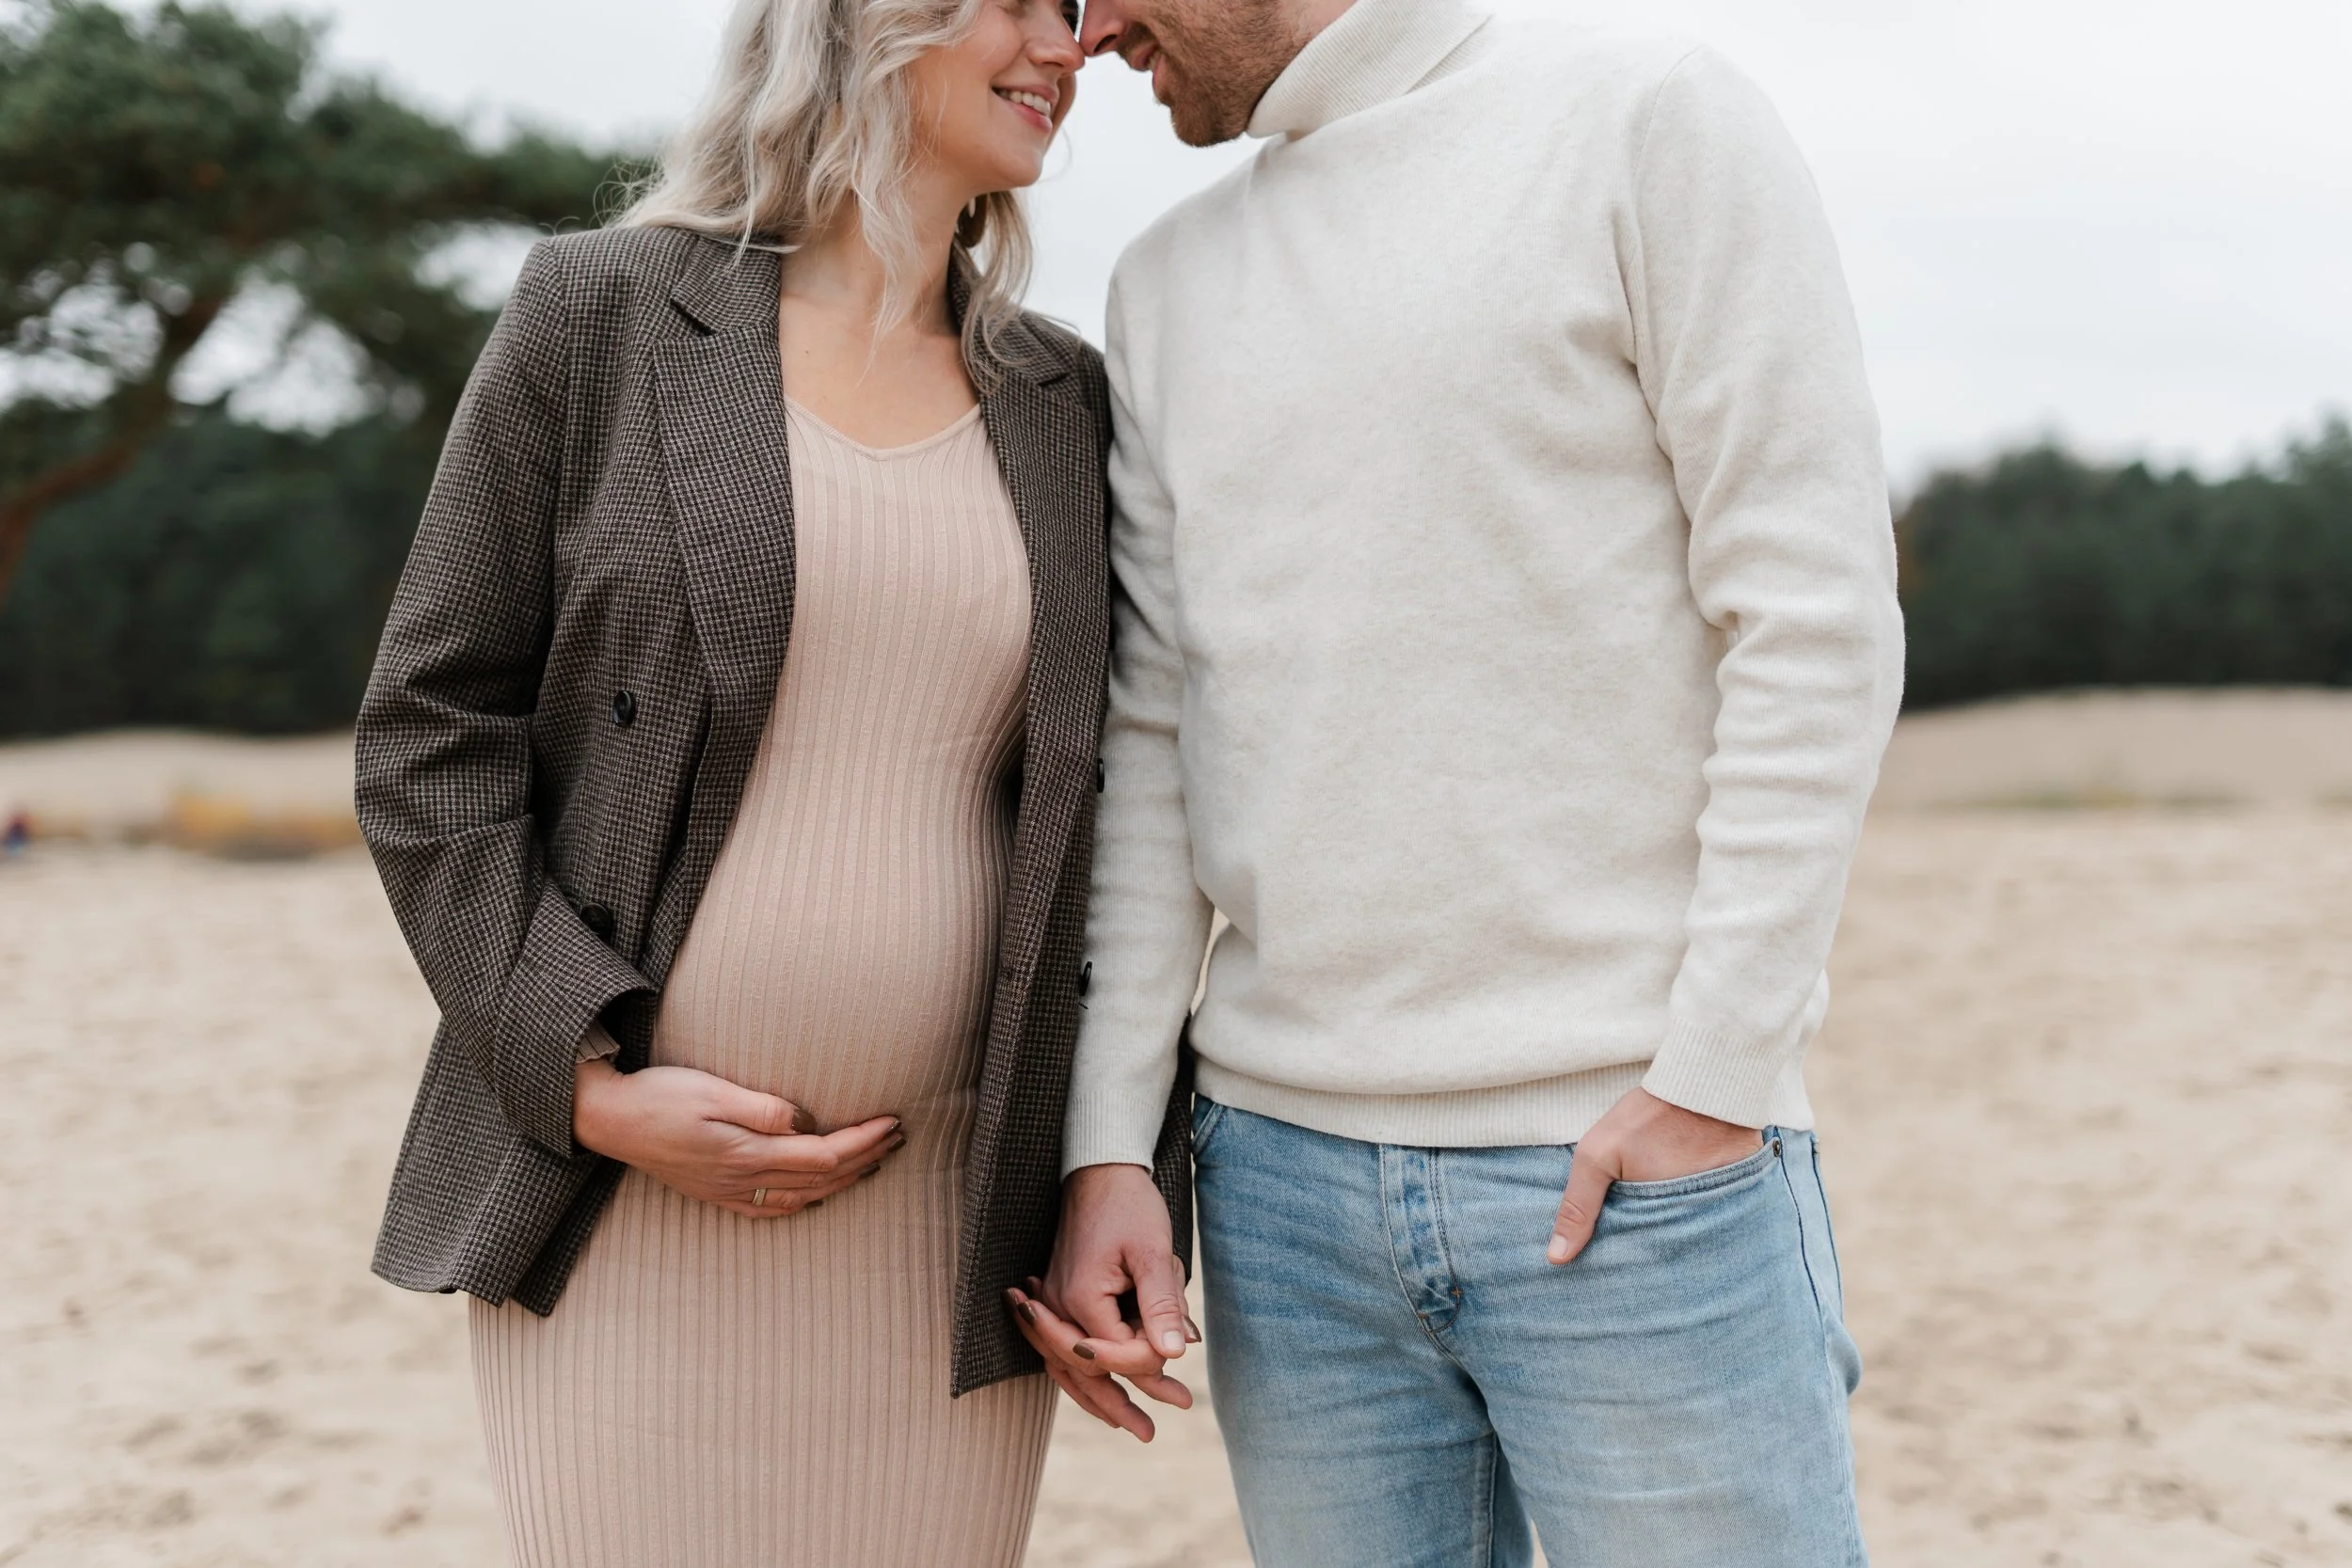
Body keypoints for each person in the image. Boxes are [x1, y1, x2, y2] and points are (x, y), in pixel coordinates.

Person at [1009, 0, 1905, 1563]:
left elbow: (1815, 617)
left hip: (1633, 1164)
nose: (1087, 40)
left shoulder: (1647, 118)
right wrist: (1106, 1143)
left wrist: (1710, 1074)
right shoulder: (1163, 284)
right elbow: (1150, 734)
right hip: (1279, 1196)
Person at [355, 0, 1191, 1561]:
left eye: (1074, 13)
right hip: (625, 1210)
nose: (1068, 45)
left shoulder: (1065, 396)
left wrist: (1114, 1172)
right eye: (1016, 4)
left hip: (947, 1216)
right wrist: (592, 1089)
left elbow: (1118, 814)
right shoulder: (597, 313)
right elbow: (429, 729)